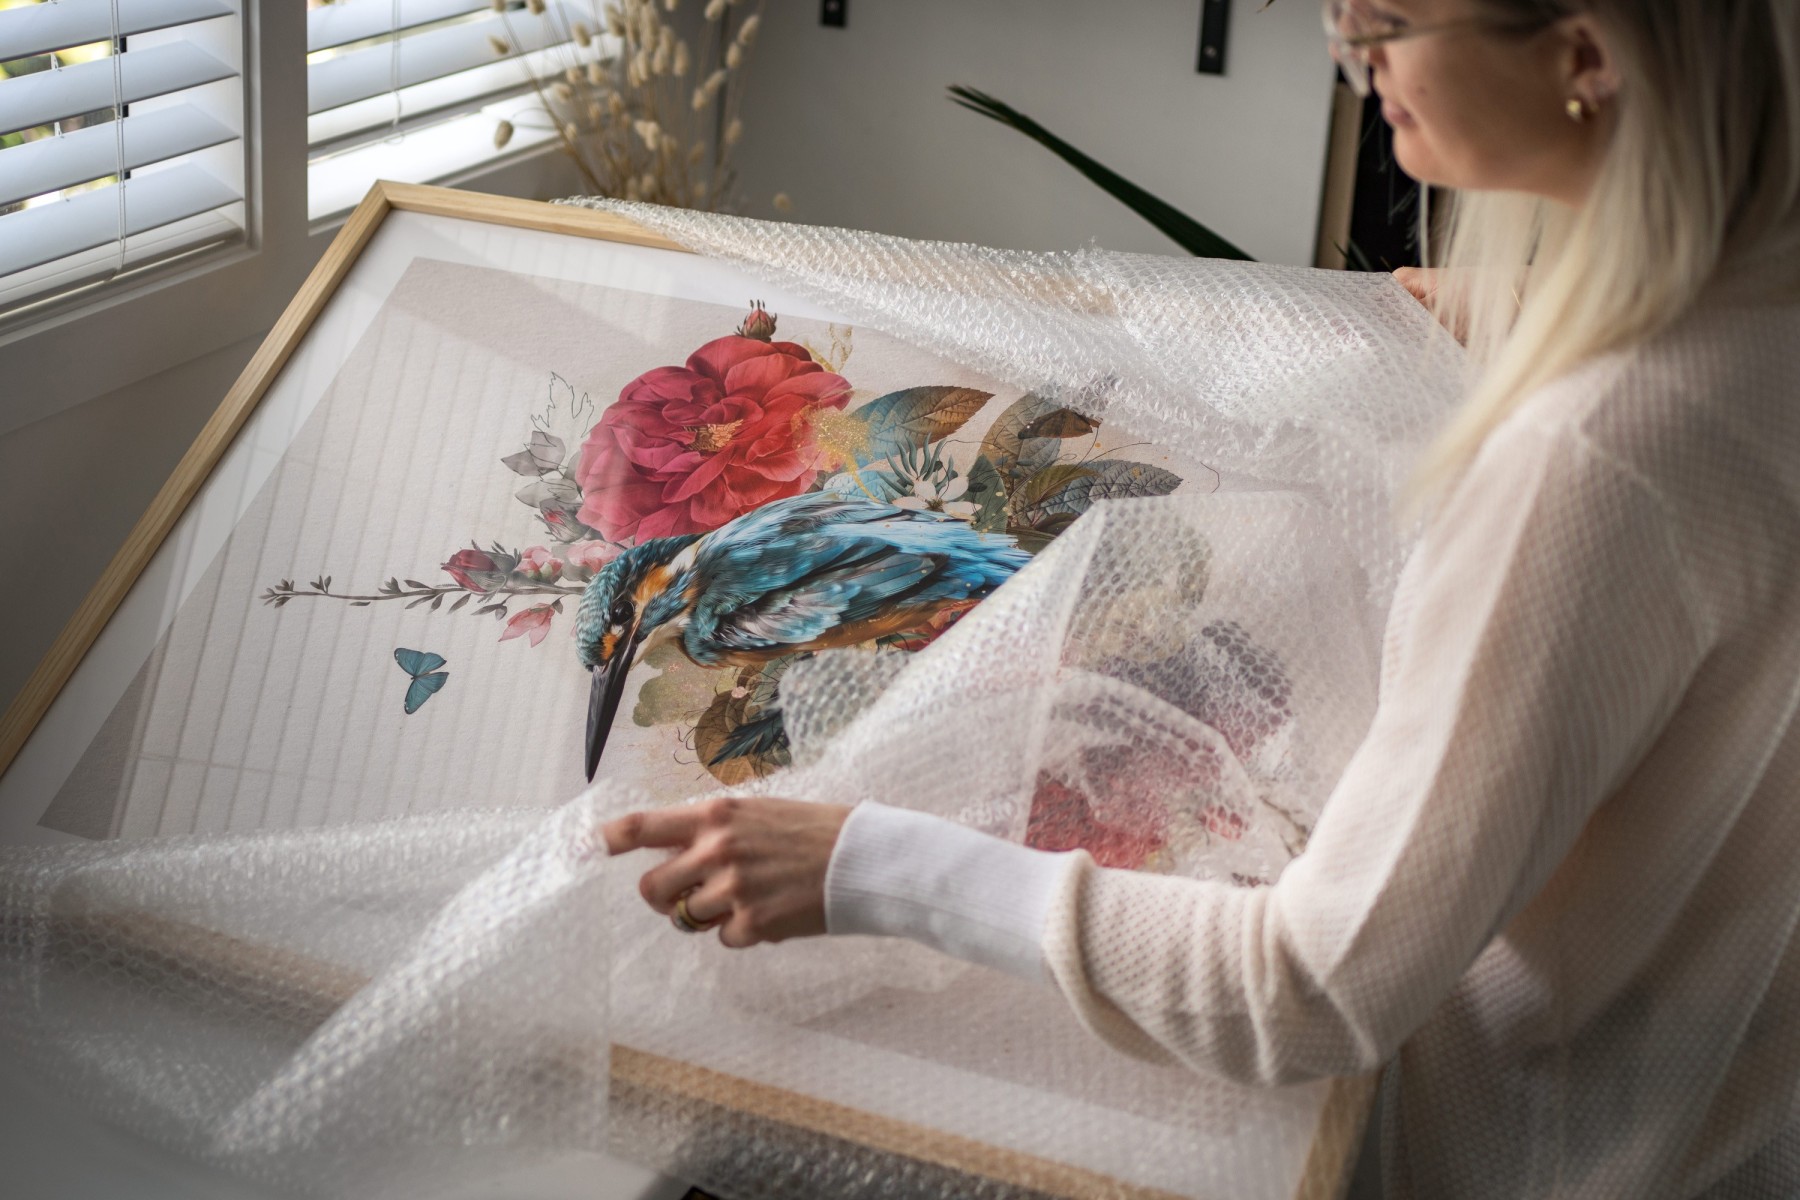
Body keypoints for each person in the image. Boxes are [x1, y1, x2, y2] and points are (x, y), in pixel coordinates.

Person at [603, 1, 1800, 1195]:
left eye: (1384, 18)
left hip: (1518, 1145)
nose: (1351, 54)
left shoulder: (1592, 461)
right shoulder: (1757, 319)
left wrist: (868, 865)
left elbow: (1317, 989)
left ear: (1585, 51)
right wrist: (1560, 305)